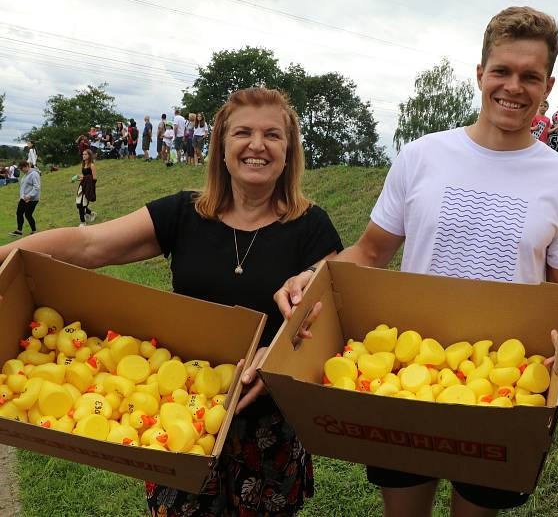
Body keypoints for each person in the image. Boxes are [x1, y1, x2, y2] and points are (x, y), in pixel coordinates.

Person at [275, 5, 558, 517]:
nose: (513, 86)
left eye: (529, 76)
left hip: (503, 388)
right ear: (480, 73)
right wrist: (311, 280)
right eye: (502, 71)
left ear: (548, 84)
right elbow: (372, 251)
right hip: (407, 375)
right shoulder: (422, 156)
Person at [0, 87, 343, 515]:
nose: (257, 145)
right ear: (220, 147)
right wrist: (4, 257)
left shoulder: (313, 227)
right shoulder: (184, 214)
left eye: (273, 134)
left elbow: (322, 320)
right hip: (179, 416)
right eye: (243, 133)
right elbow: (90, 245)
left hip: (267, 425)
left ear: (289, 150)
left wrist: (273, 356)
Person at [9, 160, 40, 236]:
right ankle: (19, 230)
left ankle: (34, 231)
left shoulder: (34, 174)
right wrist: (21, 197)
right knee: (19, 213)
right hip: (24, 198)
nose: (21, 171)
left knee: (28, 214)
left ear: (26, 166)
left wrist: (30, 196)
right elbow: (23, 187)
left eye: (22, 169)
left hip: (32, 199)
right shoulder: (26, 175)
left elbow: (37, 187)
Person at [76, 149, 98, 226]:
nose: (83, 156)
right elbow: (86, 176)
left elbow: (94, 178)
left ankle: (83, 222)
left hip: (88, 187)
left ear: (89, 156)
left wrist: (84, 178)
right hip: (82, 186)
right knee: (79, 204)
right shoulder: (83, 165)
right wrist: (80, 178)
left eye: (85, 154)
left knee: (83, 204)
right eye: (83, 154)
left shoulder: (92, 165)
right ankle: (92, 214)